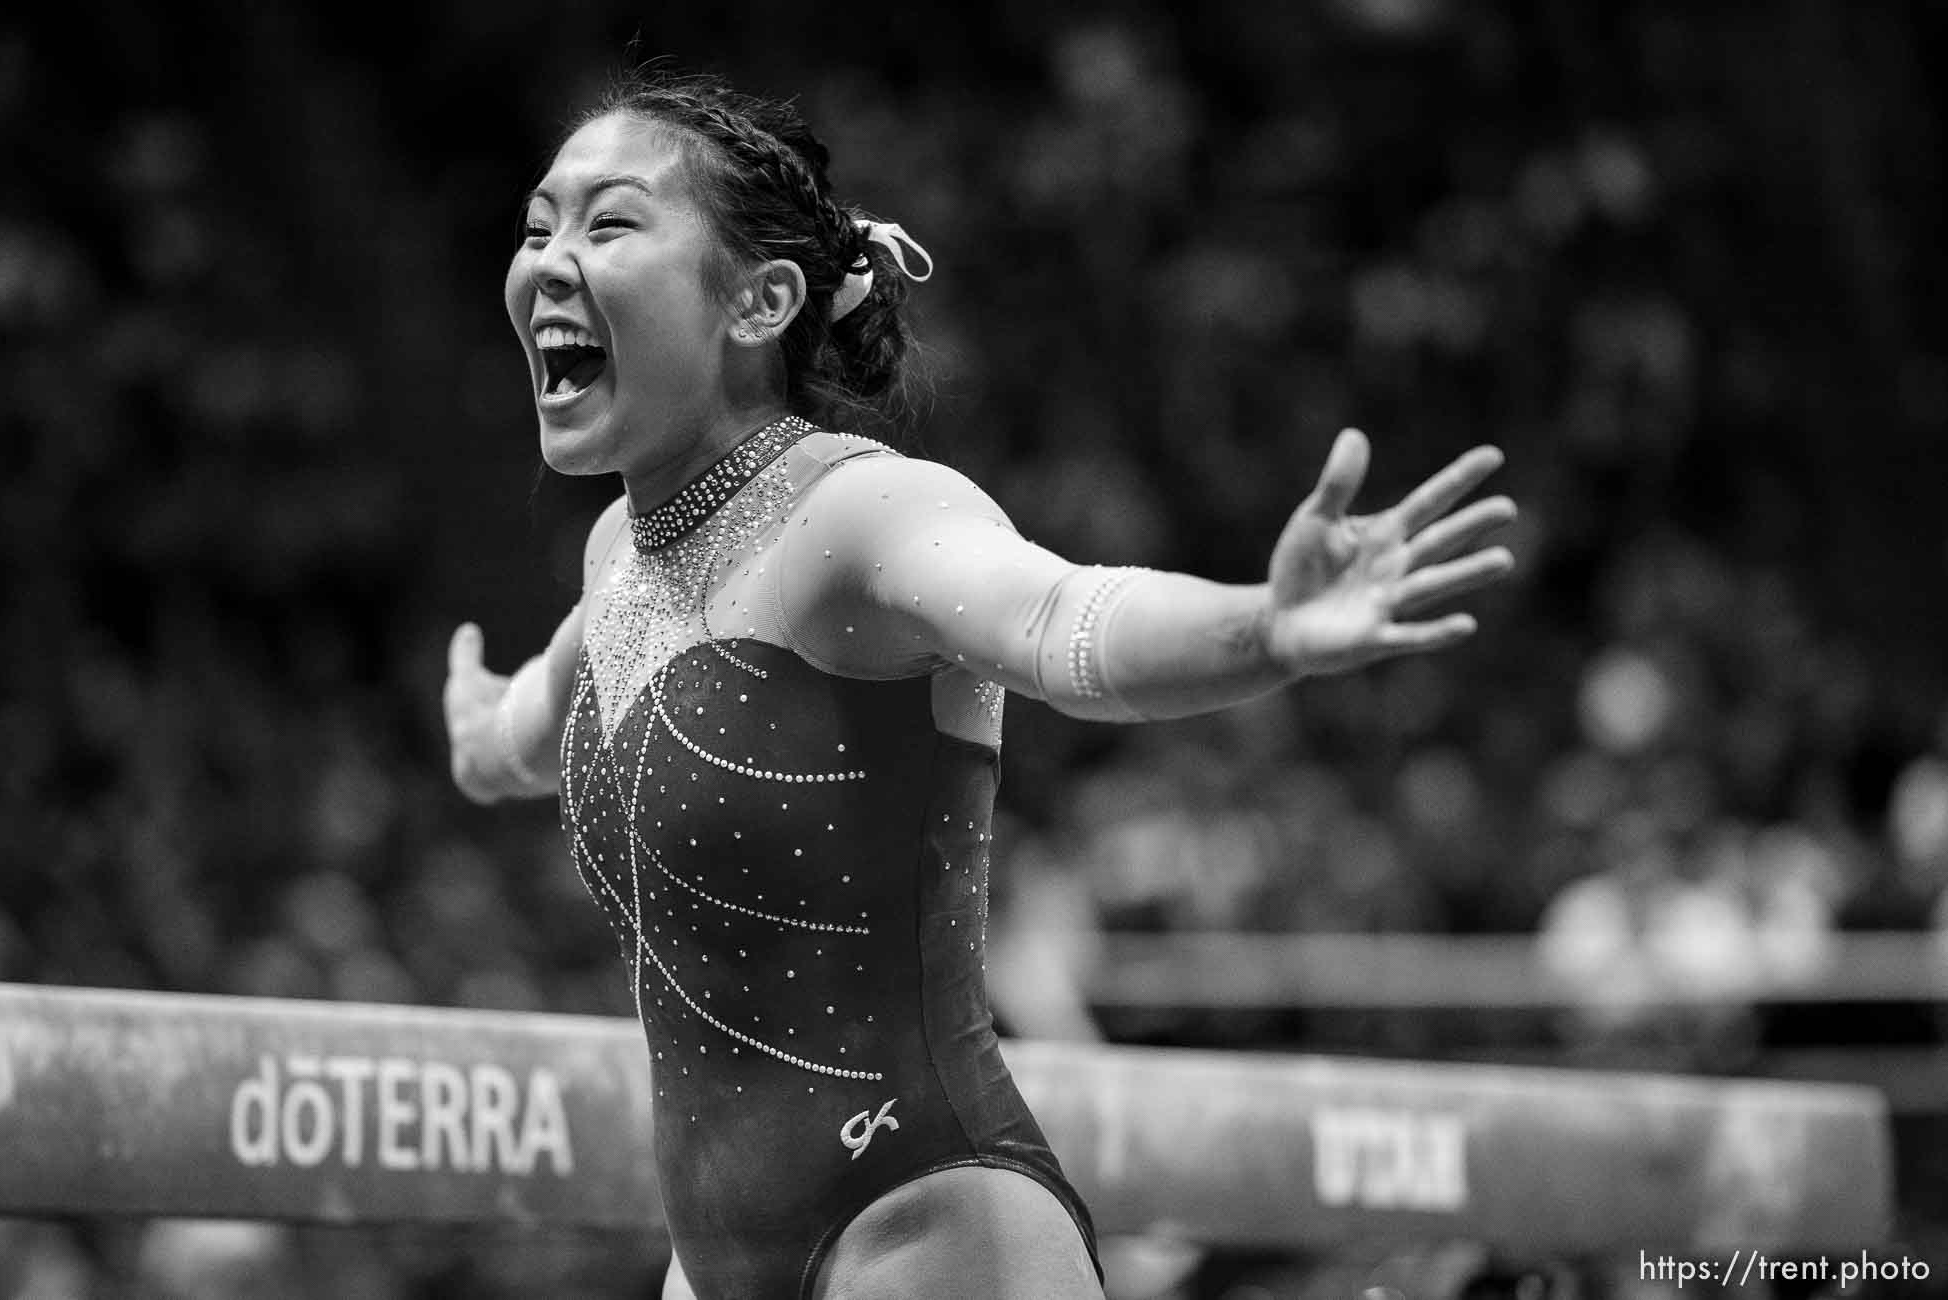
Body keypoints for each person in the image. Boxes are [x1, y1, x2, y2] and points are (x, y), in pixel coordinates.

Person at [443, 69, 1516, 1300]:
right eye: (538, 227)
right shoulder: (621, 563)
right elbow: (543, 722)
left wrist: (1262, 628)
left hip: (928, 1231)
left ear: (761, 301)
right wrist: (480, 738)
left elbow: (1063, 615)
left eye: (609, 222)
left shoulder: (858, 513)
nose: (551, 261)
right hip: (715, 1269)